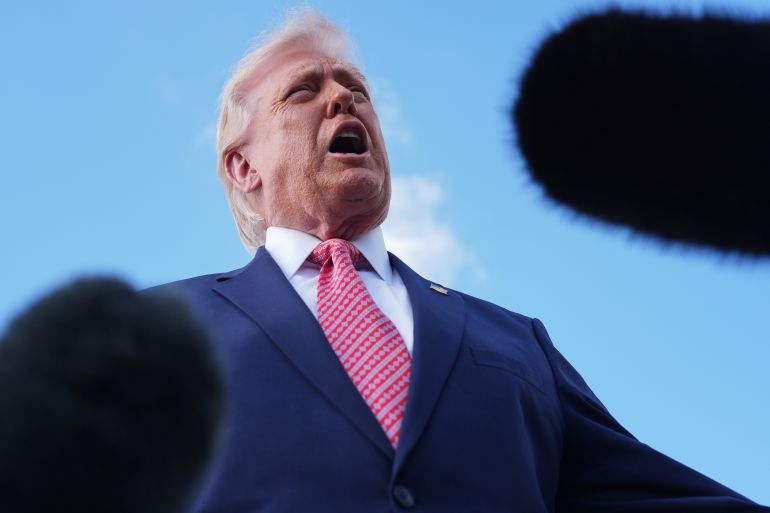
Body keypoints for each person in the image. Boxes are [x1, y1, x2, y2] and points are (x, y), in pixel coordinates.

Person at [152, 9, 769, 513]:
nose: (344, 98)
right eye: (304, 91)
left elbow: (652, 497)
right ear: (244, 166)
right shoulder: (160, 327)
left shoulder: (517, 339)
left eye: (356, 89)